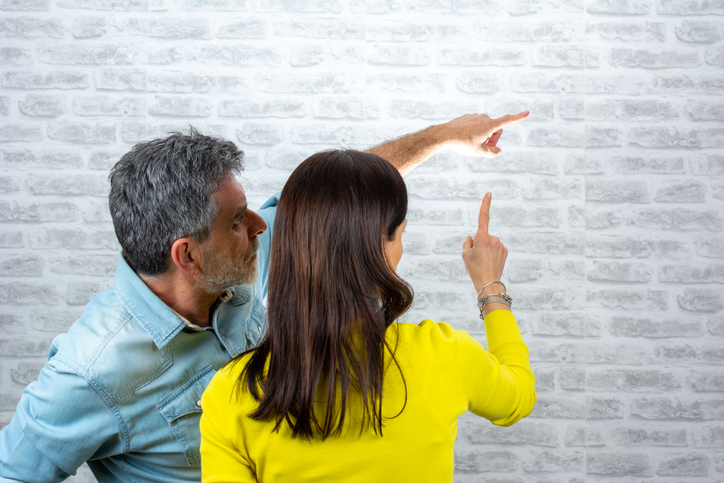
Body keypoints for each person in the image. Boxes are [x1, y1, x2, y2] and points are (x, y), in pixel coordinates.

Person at [0, 111, 527, 482]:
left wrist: (443, 135)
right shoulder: (89, 372)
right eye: (238, 220)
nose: (261, 225)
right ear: (187, 255)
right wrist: (491, 290)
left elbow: (330, 206)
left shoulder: (234, 261)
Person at [199, 150, 536, 482]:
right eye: (400, 235)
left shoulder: (230, 392)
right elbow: (517, 399)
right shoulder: (444, 354)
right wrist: (490, 287)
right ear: (379, 247)